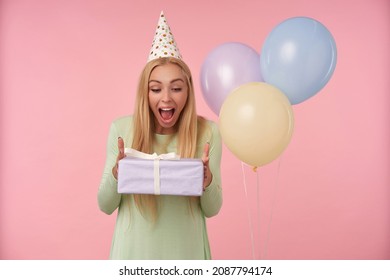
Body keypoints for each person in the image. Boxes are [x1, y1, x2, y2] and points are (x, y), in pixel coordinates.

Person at [97, 12, 222, 260]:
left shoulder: (208, 132)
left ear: (188, 91)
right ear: (146, 92)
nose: (166, 98)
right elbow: (105, 205)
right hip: (133, 255)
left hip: (187, 255)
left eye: (176, 88)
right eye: (156, 89)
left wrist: (207, 181)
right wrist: (116, 174)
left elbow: (212, 209)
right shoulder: (121, 130)